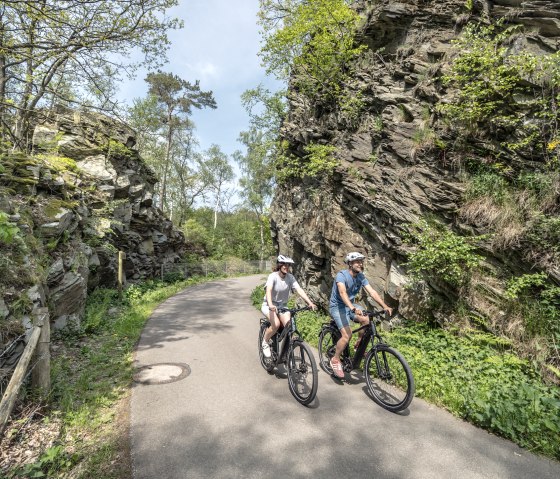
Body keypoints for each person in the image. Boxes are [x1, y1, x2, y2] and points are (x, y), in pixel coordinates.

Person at [328, 251, 392, 378]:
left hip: (350, 306)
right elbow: (342, 293)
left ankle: (358, 345)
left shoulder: (361, 277)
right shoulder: (342, 276)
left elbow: (372, 292)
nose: (360, 264)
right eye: (357, 261)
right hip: (338, 307)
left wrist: (384, 306)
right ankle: (335, 359)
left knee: (366, 320)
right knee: (347, 335)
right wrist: (352, 308)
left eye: (361, 261)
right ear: (350, 263)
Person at [261, 255, 316, 358]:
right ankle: (265, 342)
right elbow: (268, 290)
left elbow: (299, 290)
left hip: (282, 306)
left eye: (288, 265)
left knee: (289, 326)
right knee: (276, 325)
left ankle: (285, 354)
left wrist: (310, 302)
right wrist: (271, 304)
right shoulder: (273, 276)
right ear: (279, 265)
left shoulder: (290, 277)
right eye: (284, 264)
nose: (286, 267)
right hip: (269, 305)